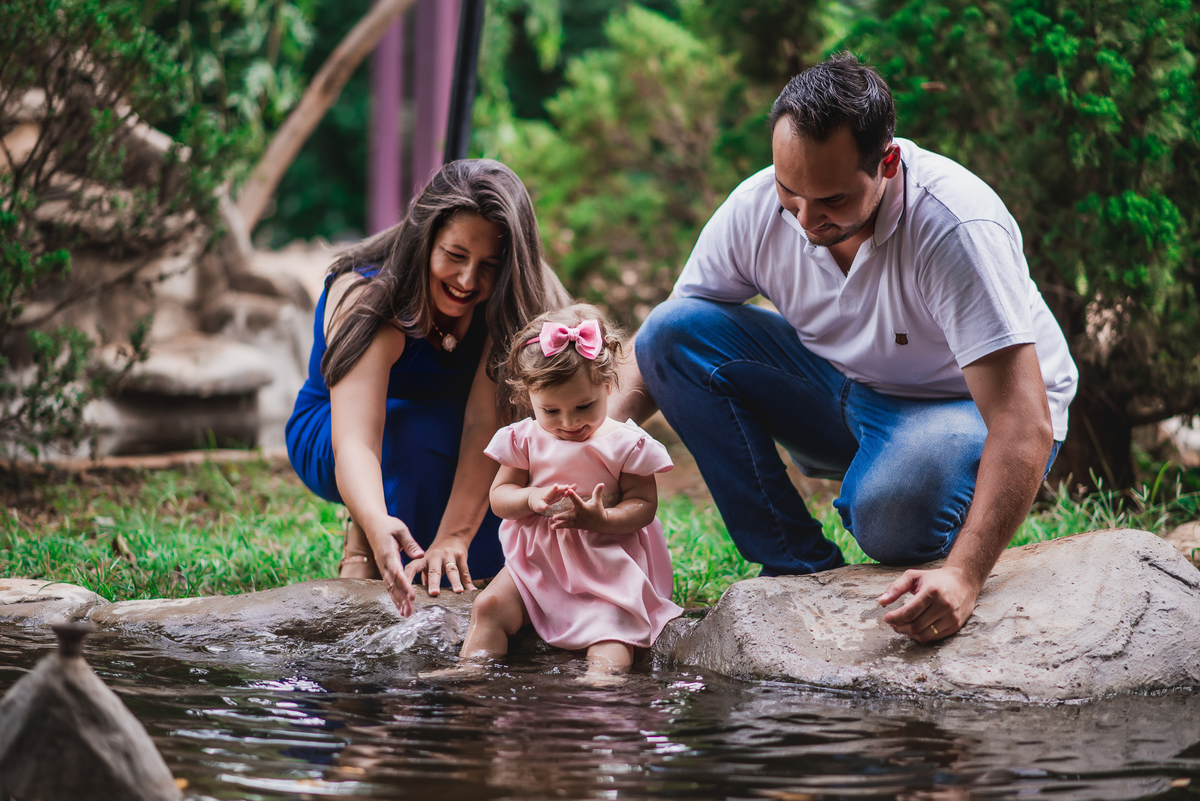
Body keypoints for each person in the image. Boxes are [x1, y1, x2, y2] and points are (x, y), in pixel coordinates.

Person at [619, 53, 1078, 643]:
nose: (806, 219)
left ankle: (893, 491)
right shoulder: (762, 206)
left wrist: (964, 576)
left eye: (831, 200)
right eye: (791, 192)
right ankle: (796, 565)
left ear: (886, 162)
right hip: (845, 387)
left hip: (968, 410)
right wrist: (588, 448)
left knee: (889, 518)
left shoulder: (955, 227)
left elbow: (1024, 420)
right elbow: (670, 350)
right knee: (669, 331)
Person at [286, 159, 570, 615]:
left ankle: (464, 562)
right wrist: (376, 522)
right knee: (411, 434)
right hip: (336, 428)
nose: (467, 280)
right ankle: (365, 541)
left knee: (516, 448)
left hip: (453, 419)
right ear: (425, 239)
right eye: (455, 256)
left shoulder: (512, 295)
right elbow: (356, 438)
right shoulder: (368, 292)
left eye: (488, 266)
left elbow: (484, 424)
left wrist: (455, 535)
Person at [456, 304, 682, 677]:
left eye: (584, 406)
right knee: (488, 607)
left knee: (613, 634)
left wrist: (601, 517)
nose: (569, 422)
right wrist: (529, 498)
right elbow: (499, 498)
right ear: (527, 395)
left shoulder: (625, 444)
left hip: (606, 565)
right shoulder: (523, 438)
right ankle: (472, 671)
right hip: (538, 563)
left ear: (608, 385)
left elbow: (644, 504)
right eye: (551, 411)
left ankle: (601, 684)